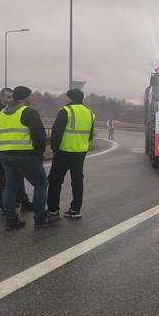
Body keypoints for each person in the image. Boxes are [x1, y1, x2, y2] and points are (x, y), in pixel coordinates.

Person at [0, 86, 59, 229]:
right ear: (24, 97)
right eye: (31, 96)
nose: (32, 99)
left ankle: (11, 220)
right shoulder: (29, 112)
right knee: (41, 184)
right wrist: (38, 154)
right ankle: (40, 218)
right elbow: (40, 136)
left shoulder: (1, 113)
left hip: (5, 155)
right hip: (25, 155)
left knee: (10, 186)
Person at [47, 89, 95, 219]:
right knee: (77, 180)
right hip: (81, 152)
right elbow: (90, 135)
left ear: (70, 98)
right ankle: (75, 209)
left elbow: (56, 132)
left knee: (55, 180)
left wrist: (54, 149)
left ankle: (52, 210)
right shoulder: (90, 113)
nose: (65, 99)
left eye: (66, 97)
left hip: (64, 151)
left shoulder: (65, 111)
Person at [0, 88, 33, 214]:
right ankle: (0, 204)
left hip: (12, 148)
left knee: (17, 176)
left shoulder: (12, 111)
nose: (11, 100)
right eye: (8, 97)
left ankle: (23, 200)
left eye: (12, 97)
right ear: (2, 98)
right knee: (0, 177)